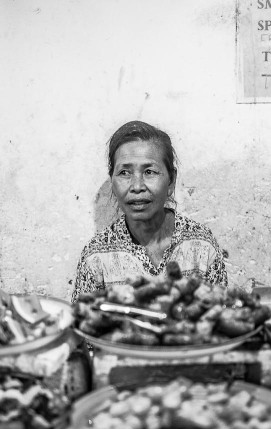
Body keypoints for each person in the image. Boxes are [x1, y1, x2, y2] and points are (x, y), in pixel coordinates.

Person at [73, 120, 227, 301]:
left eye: (149, 172)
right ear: (112, 183)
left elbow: (223, 316)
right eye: (124, 173)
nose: (137, 186)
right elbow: (81, 322)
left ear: (171, 181)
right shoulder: (96, 256)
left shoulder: (201, 245)